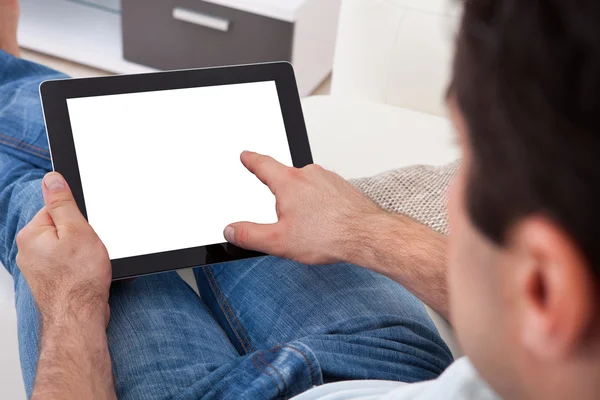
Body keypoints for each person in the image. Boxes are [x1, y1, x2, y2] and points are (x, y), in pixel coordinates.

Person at [2, 0, 600, 399]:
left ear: (545, 289)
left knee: (49, 206)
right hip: (391, 366)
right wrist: (360, 228)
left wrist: (71, 307)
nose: (449, 194)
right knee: (223, 179)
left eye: (469, 162)